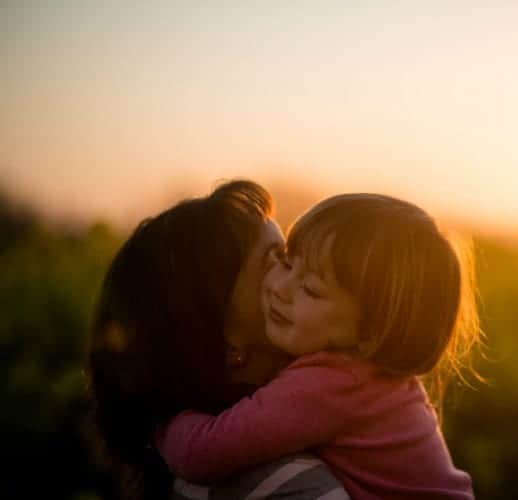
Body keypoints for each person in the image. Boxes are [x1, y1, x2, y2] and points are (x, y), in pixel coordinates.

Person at [157, 193, 482, 499]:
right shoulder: (363, 374)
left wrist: (156, 413)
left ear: (370, 332)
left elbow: (200, 454)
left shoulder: (331, 383)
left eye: (311, 289)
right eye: (286, 261)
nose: (280, 288)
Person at [87, 180, 348, 499]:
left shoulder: (186, 463)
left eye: (290, 257)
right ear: (226, 343)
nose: (303, 277)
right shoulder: (288, 483)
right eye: (275, 261)